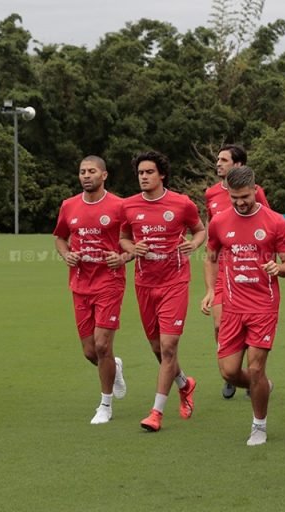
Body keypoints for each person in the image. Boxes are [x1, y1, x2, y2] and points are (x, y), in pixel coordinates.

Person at [203, 166, 285, 445]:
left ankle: (259, 425)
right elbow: (210, 257)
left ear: (255, 190)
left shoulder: (275, 222)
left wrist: (278, 268)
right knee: (229, 372)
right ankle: (262, 387)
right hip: (232, 306)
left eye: (245, 196)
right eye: (234, 197)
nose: (240, 202)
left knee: (255, 368)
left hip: (263, 306)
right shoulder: (219, 222)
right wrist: (210, 290)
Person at [121, 150, 206, 432]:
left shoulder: (181, 203)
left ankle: (156, 413)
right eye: (140, 173)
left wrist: (193, 245)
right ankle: (185, 383)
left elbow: (200, 230)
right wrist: (133, 248)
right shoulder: (129, 206)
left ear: (162, 175)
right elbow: (123, 238)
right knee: (159, 349)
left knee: (169, 348)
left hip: (175, 282)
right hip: (145, 284)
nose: (143, 177)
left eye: (149, 173)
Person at [53, 156, 130, 425]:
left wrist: (122, 258)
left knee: (102, 344)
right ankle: (114, 367)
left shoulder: (120, 206)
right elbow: (60, 238)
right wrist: (66, 255)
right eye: (82, 172)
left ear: (104, 175)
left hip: (109, 282)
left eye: (92, 171)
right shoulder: (69, 205)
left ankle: (105, 405)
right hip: (80, 283)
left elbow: (133, 242)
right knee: (90, 352)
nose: (86, 176)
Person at [203, 144, 270, 400]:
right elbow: (212, 230)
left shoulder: (256, 192)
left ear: (239, 165)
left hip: (249, 272)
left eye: (224, 159)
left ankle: (253, 374)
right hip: (222, 270)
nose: (218, 163)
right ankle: (234, 373)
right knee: (219, 324)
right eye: (217, 159)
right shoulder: (210, 194)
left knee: (246, 325)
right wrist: (209, 286)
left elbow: (265, 222)